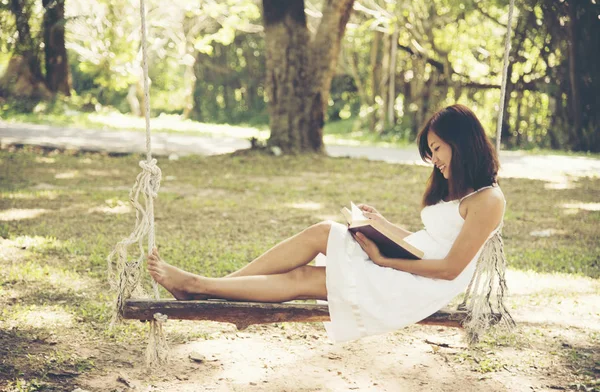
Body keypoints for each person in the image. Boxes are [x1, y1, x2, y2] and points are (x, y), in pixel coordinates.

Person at [147, 104, 510, 343]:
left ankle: (201, 287)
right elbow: (430, 240)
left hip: (419, 285)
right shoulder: (455, 189)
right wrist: (383, 227)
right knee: (315, 249)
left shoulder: (488, 200)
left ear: (461, 144)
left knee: (311, 261)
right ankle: (210, 290)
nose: (434, 160)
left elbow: (449, 268)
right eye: (430, 152)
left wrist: (384, 260)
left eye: (437, 149)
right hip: (412, 267)